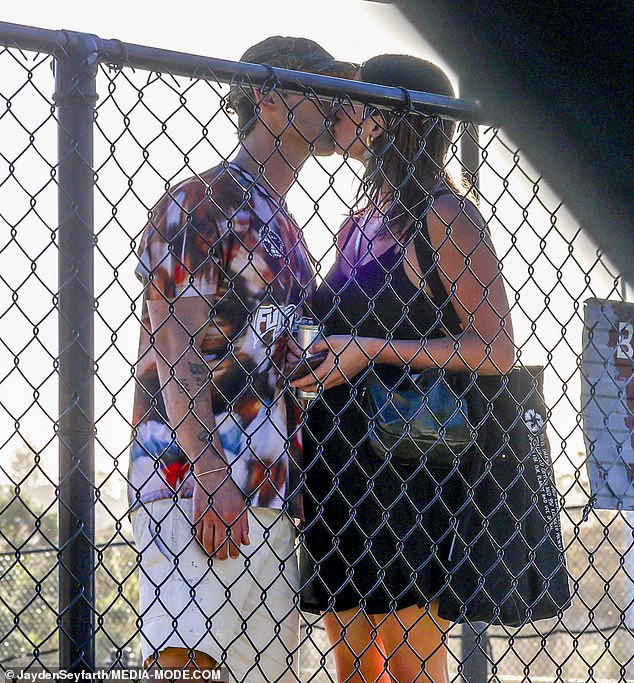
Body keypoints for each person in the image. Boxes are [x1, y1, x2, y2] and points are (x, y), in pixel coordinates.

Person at [128, 36, 354, 680]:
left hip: (268, 485)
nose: (338, 106)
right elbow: (173, 341)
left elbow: (278, 360)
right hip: (195, 479)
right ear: (271, 98)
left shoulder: (282, 220)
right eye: (321, 91)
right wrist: (208, 471)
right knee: (192, 663)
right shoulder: (202, 201)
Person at [293, 55, 515, 683]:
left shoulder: (444, 217)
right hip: (340, 456)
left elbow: (494, 349)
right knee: (354, 670)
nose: (340, 106)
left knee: (416, 669)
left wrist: (370, 350)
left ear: (393, 118)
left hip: (413, 461)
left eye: (356, 99)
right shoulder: (354, 224)